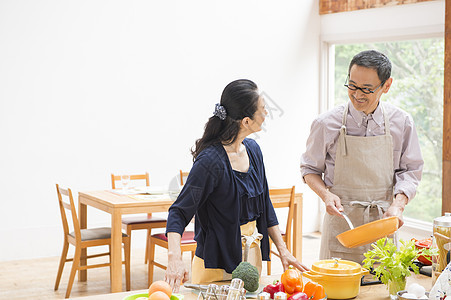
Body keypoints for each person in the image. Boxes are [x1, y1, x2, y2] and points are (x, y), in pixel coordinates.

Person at [165, 79, 308, 291]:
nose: (266, 114)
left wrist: (283, 249)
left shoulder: (253, 151)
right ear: (247, 122)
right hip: (216, 262)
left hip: (251, 257)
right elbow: (178, 212)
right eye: (262, 110)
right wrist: (174, 258)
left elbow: (265, 206)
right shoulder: (210, 162)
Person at [300, 50, 424, 264]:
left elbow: (411, 170)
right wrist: (326, 196)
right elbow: (309, 169)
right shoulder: (326, 123)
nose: (357, 94)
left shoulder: (401, 122)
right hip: (341, 224)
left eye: (367, 89)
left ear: (386, 85)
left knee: (381, 292)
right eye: (352, 85)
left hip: (383, 224)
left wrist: (398, 205)